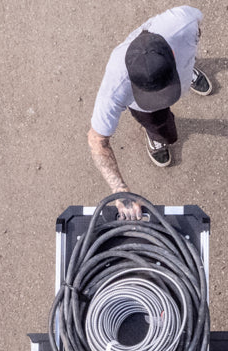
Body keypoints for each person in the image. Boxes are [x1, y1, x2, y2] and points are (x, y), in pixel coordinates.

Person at [87, 6, 214, 219]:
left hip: (179, 61)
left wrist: (187, 58)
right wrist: (120, 190)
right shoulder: (116, 85)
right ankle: (156, 136)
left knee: (188, 58)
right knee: (162, 127)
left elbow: (197, 30)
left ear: (170, 53)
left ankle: (187, 70)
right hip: (148, 107)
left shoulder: (183, 23)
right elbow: (96, 140)